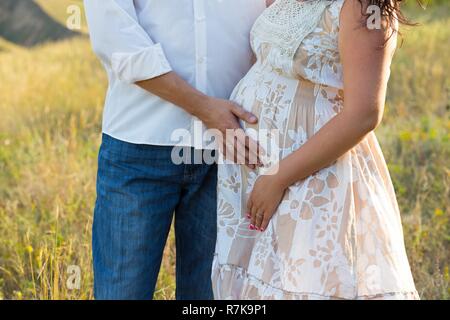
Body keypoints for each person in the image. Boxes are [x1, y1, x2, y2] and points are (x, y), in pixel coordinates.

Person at [213, 0, 419, 300]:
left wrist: (278, 178)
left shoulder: (363, 8)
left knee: (305, 280)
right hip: (254, 169)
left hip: (311, 172)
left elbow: (364, 114)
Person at [84, 0, 266, 300]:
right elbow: (116, 40)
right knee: (123, 291)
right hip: (141, 145)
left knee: (210, 295)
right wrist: (205, 109)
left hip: (230, 150)